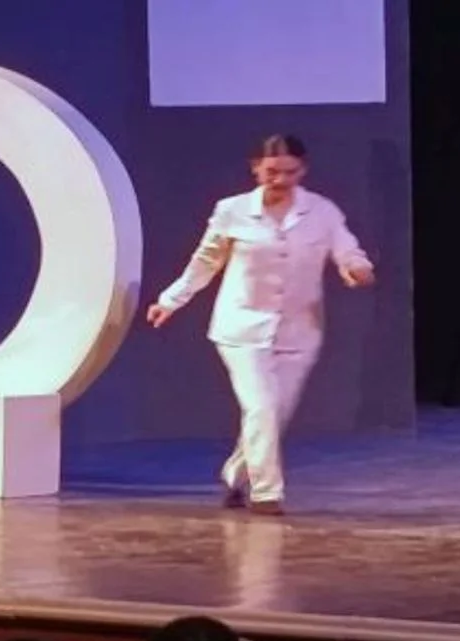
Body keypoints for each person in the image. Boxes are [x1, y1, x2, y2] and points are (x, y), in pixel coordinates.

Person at [147, 135, 374, 516]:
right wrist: (170, 300)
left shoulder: (322, 211)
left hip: (300, 331)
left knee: (273, 415)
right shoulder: (232, 211)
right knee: (261, 407)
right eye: (272, 172)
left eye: (290, 172)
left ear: (303, 170)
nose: (281, 179)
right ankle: (267, 493)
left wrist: (357, 268)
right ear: (256, 169)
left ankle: (236, 474)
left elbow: (347, 250)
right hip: (242, 328)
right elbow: (205, 261)